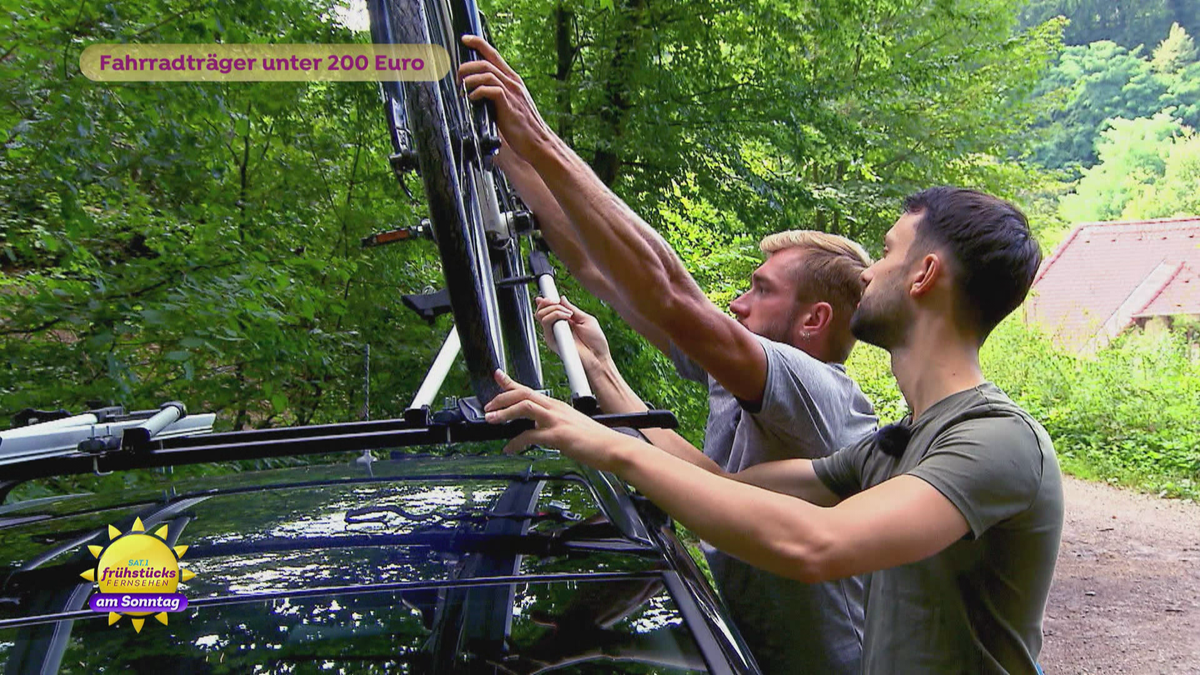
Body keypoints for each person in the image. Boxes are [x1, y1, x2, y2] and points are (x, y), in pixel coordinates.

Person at [483, 186, 1065, 674]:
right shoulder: (891, 448)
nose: (870, 273)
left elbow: (817, 544)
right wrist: (600, 389)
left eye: (886, 253)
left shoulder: (996, 439)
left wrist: (609, 445)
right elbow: (720, 483)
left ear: (925, 274)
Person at [461, 37, 877, 674]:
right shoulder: (745, 390)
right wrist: (507, 158)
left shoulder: (817, 391)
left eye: (760, 289)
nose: (736, 302)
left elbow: (670, 294)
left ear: (814, 319)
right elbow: (605, 271)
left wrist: (539, 136)